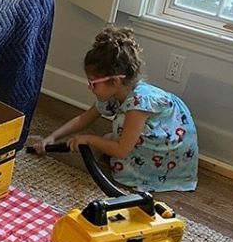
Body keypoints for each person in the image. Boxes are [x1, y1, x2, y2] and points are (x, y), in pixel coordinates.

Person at [31, 27, 198, 192]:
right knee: (107, 139)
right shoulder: (117, 93)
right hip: (153, 137)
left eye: (93, 83)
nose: (89, 87)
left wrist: (88, 139)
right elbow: (83, 119)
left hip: (168, 157)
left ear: (115, 81)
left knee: (110, 141)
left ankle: (146, 169)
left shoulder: (138, 104)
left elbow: (122, 150)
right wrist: (52, 138)